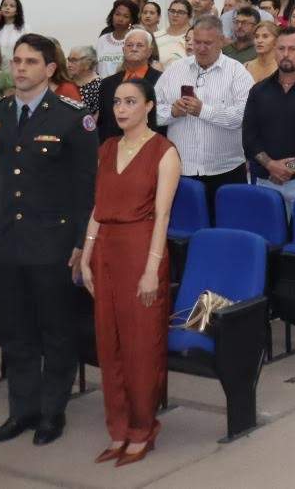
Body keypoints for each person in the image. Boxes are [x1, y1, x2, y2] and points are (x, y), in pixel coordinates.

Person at [0, 34, 97, 447]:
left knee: (55, 330)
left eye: (30, 62)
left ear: (49, 69)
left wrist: (80, 242)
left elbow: (86, 188)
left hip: (52, 241)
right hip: (5, 242)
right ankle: (21, 411)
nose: (21, 68)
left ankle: (51, 412)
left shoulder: (72, 118)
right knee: (15, 330)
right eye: (17, 61)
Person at [79, 78, 179, 466]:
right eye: (117, 102)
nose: (121, 109)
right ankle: (118, 429)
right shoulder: (106, 149)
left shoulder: (163, 152)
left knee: (141, 345)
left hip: (141, 250)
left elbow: (163, 216)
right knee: (109, 344)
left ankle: (142, 429)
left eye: (130, 102)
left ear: (149, 106)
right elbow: (97, 205)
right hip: (105, 250)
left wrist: (152, 269)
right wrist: (87, 254)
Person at [154, 15, 253, 220]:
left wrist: (203, 111)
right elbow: (151, 112)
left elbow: (243, 117)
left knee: (227, 230)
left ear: (222, 41)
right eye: (197, 42)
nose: (201, 48)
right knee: (182, 232)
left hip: (226, 171)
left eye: (208, 43)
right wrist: (172, 112)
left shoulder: (238, 73)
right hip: (182, 171)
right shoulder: (174, 70)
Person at [240, 26, 295, 216]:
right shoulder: (258, 91)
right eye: (281, 48)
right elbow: (249, 137)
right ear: (275, 51)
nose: (286, 54)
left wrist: (289, 166)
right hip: (266, 181)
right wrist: (271, 165)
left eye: (292, 49)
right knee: (266, 234)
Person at [94, 28, 160, 141]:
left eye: (139, 45)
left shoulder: (160, 80)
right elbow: (103, 123)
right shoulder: (107, 84)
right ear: (123, 50)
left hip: (148, 145)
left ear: (149, 52)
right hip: (112, 146)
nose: (134, 49)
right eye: (129, 45)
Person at [94, 0, 138, 77]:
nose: (120, 19)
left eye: (126, 16)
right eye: (117, 14)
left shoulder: (135, 39)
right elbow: (95, 69)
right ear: (112, 15)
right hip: (103, 84)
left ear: (131, 20)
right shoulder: (102, 40)